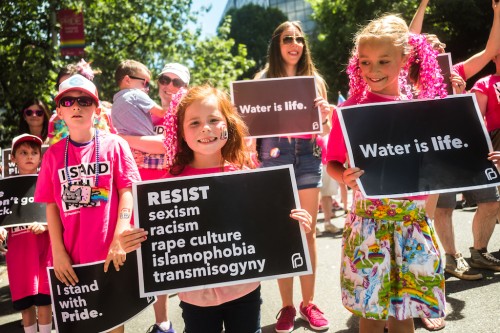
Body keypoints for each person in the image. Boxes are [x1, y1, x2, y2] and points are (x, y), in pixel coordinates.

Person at [118, 85, 313, 333]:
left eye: (213, 120)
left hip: (244, 291)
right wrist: (134, 239)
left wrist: (293, 226)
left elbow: (265, 227)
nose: (205, 128)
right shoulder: (167, 185)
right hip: (195, 300)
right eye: (195, 123)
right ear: (181, 133)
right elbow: (157, 239)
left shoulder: (245, 176)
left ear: (228, 126)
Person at [326, 14, 447, 333]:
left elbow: (444, 157)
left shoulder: (423, 109)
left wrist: (478, 160)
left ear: (405, 59)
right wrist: (344, 177)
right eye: (365, 62)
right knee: (371, 312)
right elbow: (332, 162)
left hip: (410, 223)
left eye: (383, 61)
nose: (373, 70)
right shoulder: (350, 112)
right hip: (369, 225)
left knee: (403, 313)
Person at [34, 74, 141, 333]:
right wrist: (57, 252)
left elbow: (127, 190)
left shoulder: (116, 145)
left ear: (97, 108)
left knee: (113, 323)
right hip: (70, 258)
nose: (76, 106)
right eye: (68, 102)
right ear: (59, 111)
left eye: (84, 100)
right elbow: (51, 205)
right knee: (80, 326)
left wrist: (119, 235)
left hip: (110, 253)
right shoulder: (53, 155)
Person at [409, 0, 500, 294]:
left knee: (491, 199)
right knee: (443, 209)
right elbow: (410, 38)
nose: (436, 45)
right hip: (433, 152)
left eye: (440, 45)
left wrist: (498, 13)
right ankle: (452, 258)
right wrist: (423, 3)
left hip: (463, 147)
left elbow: (489, 51)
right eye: (429, 44)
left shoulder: (457, 71)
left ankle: (479, 251)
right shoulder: (409, 81)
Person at [254, 21, 331, 332]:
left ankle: (308, 303)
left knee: (307, 231)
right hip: (274, 155)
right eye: (288, 38)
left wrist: (324, 116)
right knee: (283, 232)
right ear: (278, 43)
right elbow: (251, 130)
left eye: (299, 38)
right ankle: (286, 306)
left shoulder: (316, 81)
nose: (295, 43)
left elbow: (324, 130)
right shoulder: (261, 80)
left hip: (308, 156)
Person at [4, 134, 52, 333]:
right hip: (19, 253)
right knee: (25, 306)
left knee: (44, 302)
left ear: (40, 157)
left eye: (34, 153)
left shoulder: (48, 181)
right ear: (13, 158)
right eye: (23, 153)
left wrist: (47, 226)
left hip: (45, 250)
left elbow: (58, 212)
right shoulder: (4, 188)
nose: (29, 156)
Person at [48, 59, 114, 145]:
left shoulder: (106, 114)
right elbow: (52, 148)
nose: (75, 106)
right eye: (63, 85)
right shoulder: (54, 120)